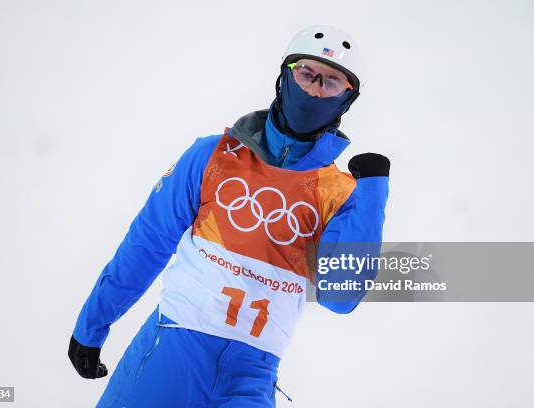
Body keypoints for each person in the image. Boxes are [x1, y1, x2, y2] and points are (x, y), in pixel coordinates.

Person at [68, 25, 390, 407]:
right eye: (307, 75)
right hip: (170, 353)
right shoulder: (213, 156)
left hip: (250, 376)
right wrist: (93, 323)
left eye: (331, 83)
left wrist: (372, 193)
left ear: (346, 100)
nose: (315, 89)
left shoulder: (341, 194)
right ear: (285, 76)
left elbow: (340, 296)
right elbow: (148, 243)